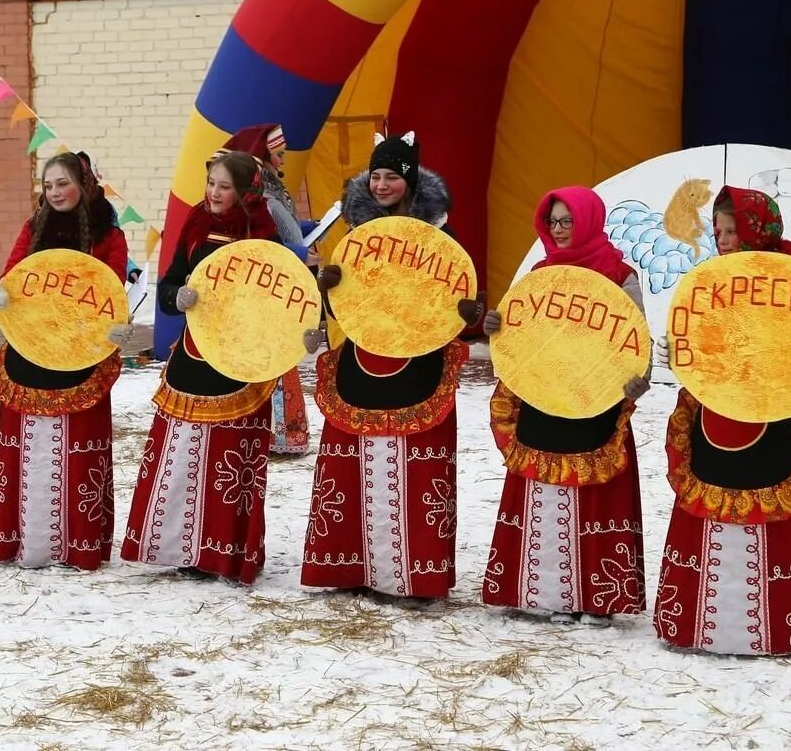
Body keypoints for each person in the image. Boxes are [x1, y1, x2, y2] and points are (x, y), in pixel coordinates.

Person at [650, 185, 791, 655]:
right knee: (715, 487)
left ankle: (782, 627)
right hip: (719, 408)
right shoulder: (710, 281)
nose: (724, 239)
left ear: (757, 230)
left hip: (780, 414)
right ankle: (702, 625)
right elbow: (702, 342)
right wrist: (675, 352)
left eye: (732, 230)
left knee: (773, 493)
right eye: (719, 230)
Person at [300, 132, 474, 599]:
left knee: (415, 469)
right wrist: (330, 287)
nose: (381, 184)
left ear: (410, 180)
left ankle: (416, 577)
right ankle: (348, 567)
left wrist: (464, 313)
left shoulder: (440, 238)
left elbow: (452, 300)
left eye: (391, 175)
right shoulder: (358, 238)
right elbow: (349, 310)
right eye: (375, 176)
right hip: (362, 362)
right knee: (351, 465)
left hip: (419, 364)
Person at [479, 187, 649, 623]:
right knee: (545, 492)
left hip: (597, 400)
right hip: (544, 396)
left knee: (594, 498)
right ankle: (538, 591)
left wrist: (636, 381)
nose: (558, 230)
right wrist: (497, 326)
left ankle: (597, 598)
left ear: (589, 221)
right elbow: (523, 336)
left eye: (566, 221)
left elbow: (635, 341)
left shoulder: (619, 276)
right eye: (552, 222)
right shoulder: (540, 274)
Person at [121, 150, 288, 584]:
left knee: (228, 460)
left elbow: (278, 302)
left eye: (225, 186)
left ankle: (225, 552)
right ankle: (178, 546)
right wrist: (179, 296)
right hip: (192, 360)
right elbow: (169, 284)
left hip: (239, 363)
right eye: (211, 182)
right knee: (182, 453)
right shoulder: (195, 225)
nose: (214, 192)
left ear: (246, 190)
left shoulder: (264, 234)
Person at [0, 152, 130, 570]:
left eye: (62, 183)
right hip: (30, 352)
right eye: (48, 186)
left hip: (80, 356)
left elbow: (110, 293)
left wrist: (111, 325)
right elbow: (13, 275)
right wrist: (2, 294)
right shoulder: (35, 226)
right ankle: (25, 540)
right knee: (28, 450)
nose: (54, 193)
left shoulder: (108, 236)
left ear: (83, 185)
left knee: (75, 452)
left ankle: (79, 544)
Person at [212, 124, 313, 456]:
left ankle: (281, 433)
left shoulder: (272, 192)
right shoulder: (259, 199)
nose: (282, 160)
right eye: (278, 154)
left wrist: (308, 231)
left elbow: (281, 234)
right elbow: (261, 248)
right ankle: (263, 431)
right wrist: (299, 251)